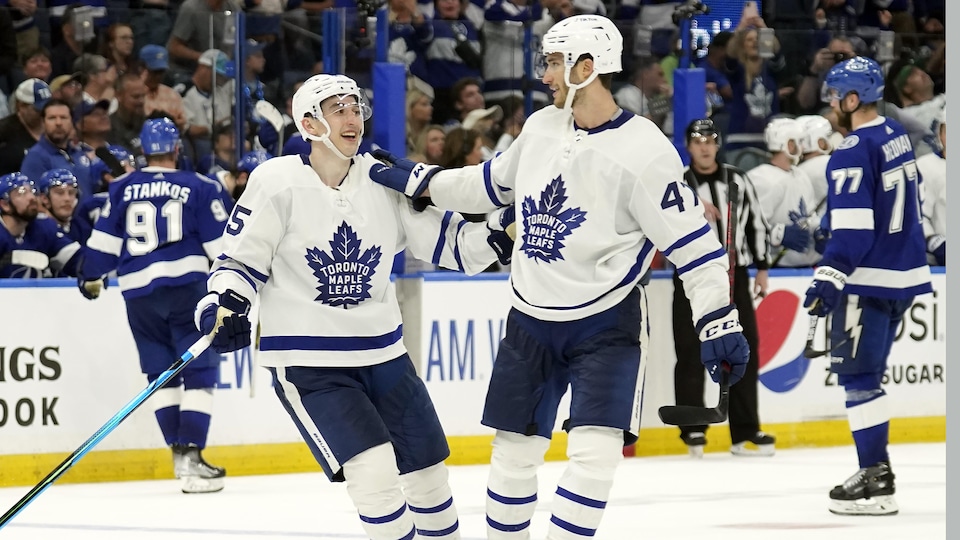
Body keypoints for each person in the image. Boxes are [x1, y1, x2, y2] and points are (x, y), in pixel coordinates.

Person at [367, 15, 750, 539]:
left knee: (595, 455)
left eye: (553, 62)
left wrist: (718, 321)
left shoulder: (646, 151)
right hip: (530, 318)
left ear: (585, 67)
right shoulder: (542, 126)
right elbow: (487, 186)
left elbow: (696, 249)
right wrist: (423, 181)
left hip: (607, 321)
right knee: (513, 455)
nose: (545, 74)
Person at [197, 73, 513, 540]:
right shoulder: (276, 181)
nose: (352, 118)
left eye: (355, 107)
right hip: (311, 364)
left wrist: (503, 232)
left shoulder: (381, 176)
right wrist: (223, 304)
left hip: (386, 356)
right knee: (376, 476)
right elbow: (238, 261)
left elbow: (456, 247)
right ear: (309, 123)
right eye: (338, 108)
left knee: (429, 476)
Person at [804, 56, 933, 516]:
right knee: (869, 378)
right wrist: (831, 223)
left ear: (853, 98)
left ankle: (876, 481)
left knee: (859, 381)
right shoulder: (894, 134)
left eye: (836, 95)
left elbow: (856, 231)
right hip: (903, 275)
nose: (832, 102)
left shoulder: (851, 149)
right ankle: (877, 473)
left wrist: (830, 274)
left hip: (867, 279)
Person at [77, 118, 233, 494]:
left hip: (138, 296)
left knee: (160, 375)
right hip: (187, 289)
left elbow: (102, 247)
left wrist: (91, 279)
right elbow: (221, 249)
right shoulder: (200, 185)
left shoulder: (121, 188)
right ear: (177, 149)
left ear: (144, 152)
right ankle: (192, 456)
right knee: (200, 372)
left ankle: (179, 459)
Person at [674, 118, 775, 457]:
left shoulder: (738, 179)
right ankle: (692, 429)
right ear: (688, 146)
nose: (704, 147)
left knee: (742, 350)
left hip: (736, 274)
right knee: (690, 351)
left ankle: (745, 430)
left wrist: (762, 268)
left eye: (710, 140)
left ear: (718, 144)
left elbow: (756, 224)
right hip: (690, 277)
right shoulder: (679, 185)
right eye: (698, 141)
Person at [746, 117, 820, 268]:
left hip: (802, 267)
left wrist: (818, 231)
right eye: (800, 141)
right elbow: (744, 228)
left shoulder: (800, 175)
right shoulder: (761, 179)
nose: (803, 147)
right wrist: (777, 234)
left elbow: (809, 215)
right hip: (769, 269)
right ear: (789, 144)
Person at [0, 171, 82, 278]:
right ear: (5, 205)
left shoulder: (43, 228)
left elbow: (78, 261)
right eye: (22, 193)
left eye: (31, 191)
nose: (31, 197)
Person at [918, 106, 945, 266]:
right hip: (939, 262)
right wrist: (934, 241)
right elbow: (918, 215)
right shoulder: (925, 166)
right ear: (940, 133)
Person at [36, 168, 89, 244]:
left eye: (71, 192)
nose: (67, 199)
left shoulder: (81, 227)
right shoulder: (37, 230)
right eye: (60, 193)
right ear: (44, 198)